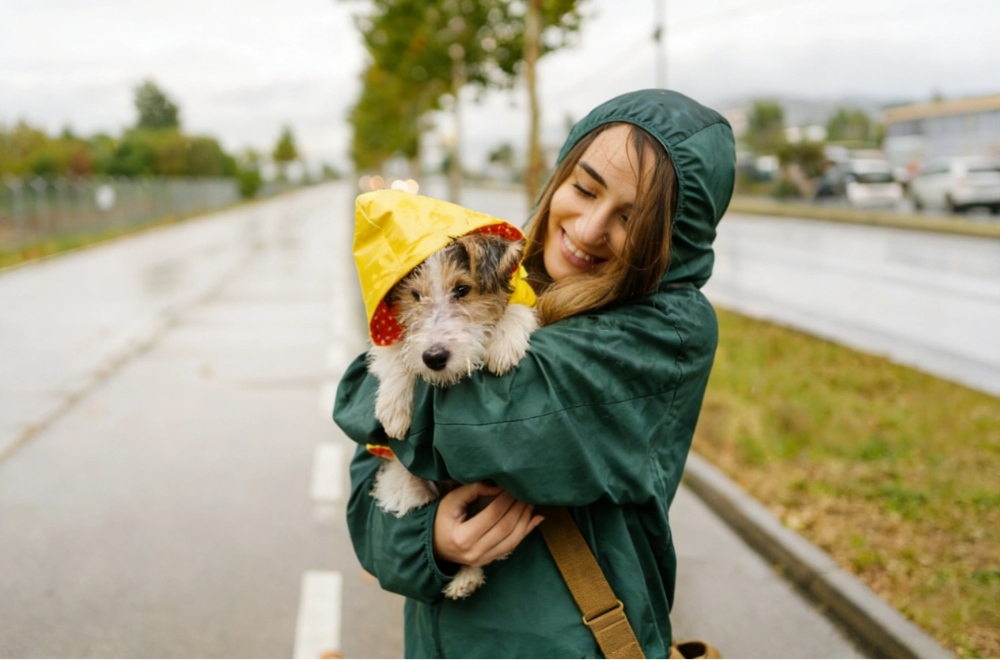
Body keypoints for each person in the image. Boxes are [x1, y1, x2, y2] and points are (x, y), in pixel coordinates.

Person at [334, 88, 736, 658]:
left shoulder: (664, 332)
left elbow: (475, 422)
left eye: (631, 219)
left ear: (673, 240)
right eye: (584, 188)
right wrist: (430, 543)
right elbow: (366, 495)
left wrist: (373, 382)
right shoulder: (496, 272)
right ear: (559, 174)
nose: (591, 228)